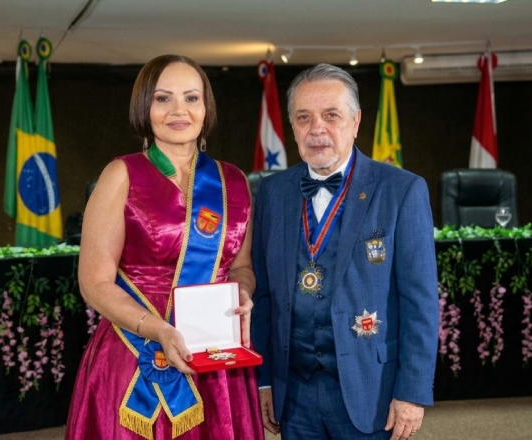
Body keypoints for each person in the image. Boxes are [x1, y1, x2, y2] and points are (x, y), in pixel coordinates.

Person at [65, 54, 263, 440]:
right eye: (162, 98)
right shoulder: (121, 175)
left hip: (216, 357)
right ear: (145, 107)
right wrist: (158, 330)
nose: (178, 110)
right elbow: (94, 283)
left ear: (206, 108)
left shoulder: (234, 182)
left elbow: (241, 267)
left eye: (191, 98)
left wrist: (242, 293)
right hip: (134, 352)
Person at [251, 63, 439, 440]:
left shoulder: (402, 190)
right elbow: (263, 296)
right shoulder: (271, 192)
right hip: (294, 392)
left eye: (331, 115)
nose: (316, 128)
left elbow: (420, 302)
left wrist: (412, 391)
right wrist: (264, 380)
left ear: (355, 122)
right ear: (292, 126)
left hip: (371, 388)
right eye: (304, 117)